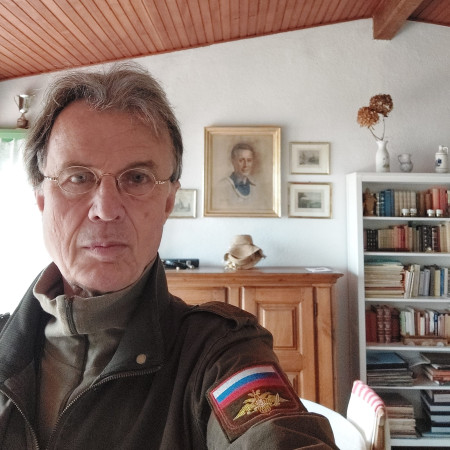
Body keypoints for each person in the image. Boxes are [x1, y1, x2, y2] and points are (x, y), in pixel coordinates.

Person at [0, 63, 337, 449]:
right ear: (42, 199)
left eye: (137, 178)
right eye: (77, 177)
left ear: (168, 202)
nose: (106, 209)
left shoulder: (220, 353)